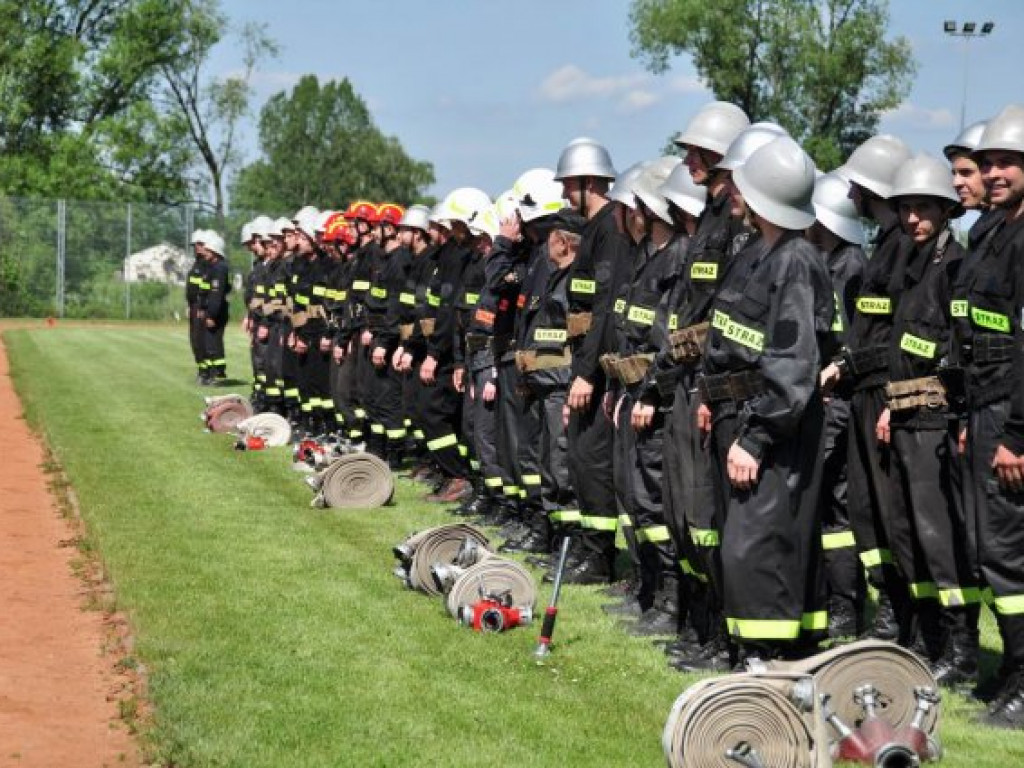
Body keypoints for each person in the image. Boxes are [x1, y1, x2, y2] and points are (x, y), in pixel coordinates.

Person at [701, 135, 832, 662]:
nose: (732, 191)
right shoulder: (759, 253)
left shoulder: (795, 261)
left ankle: (771, 664)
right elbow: (733, 335)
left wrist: (755, 439)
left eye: (742, 185)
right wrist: (713, 394)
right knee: (743, 543)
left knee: (759, 544)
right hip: (743, 415)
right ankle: (755, 654)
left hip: (774, 430)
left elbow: (793, 364)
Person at [879, 153, 976, 686]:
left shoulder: (954, 267)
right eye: (906, 209)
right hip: (905, 418)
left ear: (945, 211)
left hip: (934, 421)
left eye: (923, 209)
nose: (912, 219)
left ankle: (961, 651)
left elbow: (950, 351)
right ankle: (929, 637)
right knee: (910, 534)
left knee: (941, 539)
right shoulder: (911, 266)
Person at [953, 104, 1024, 727]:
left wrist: (1016, 434)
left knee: (1010, 551)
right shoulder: (990, 233)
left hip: (1015, 416)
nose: (994, 173)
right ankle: (1013, 666)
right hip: (987, 405)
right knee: (990, 550)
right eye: (991, 162)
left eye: (1007, 163)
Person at [833, 134, 915, 643]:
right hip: (863, 391)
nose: (849, 197)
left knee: (892, 512)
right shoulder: (884, 247)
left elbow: (901, 334)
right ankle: (887, 606)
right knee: (865, 511)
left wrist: (891, 395)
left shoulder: (903, 251)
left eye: (855, 186)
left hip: (885, 394)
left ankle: (902, 614)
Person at [556, 137, 627, 584]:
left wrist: (587, 373)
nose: (565, 195)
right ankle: (588, 548)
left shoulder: (609, 232)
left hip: (596, 369)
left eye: (569, 186)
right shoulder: (592, 231)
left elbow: (605, 307)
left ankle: (601, 559)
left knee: (593, 460)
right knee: (581, 459)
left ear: (589, 182)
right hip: (585, 357)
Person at [808, 172, 868, 640]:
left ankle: (847, 606)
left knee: (836, 507)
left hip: (838, 400)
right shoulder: (827, 261)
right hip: (822, 396)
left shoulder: (848, 265)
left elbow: (849, 339)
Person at [200, 231, 230, 384]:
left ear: (215, 251)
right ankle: (212, 373)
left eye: (207, 250)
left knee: (215, 343)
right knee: (209, 343)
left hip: (216, 312)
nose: (204, 252)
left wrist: (211, 315)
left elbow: (216, 295)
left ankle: (218, 374)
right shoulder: (212, 267)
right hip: (210, 310)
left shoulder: (219, 268)